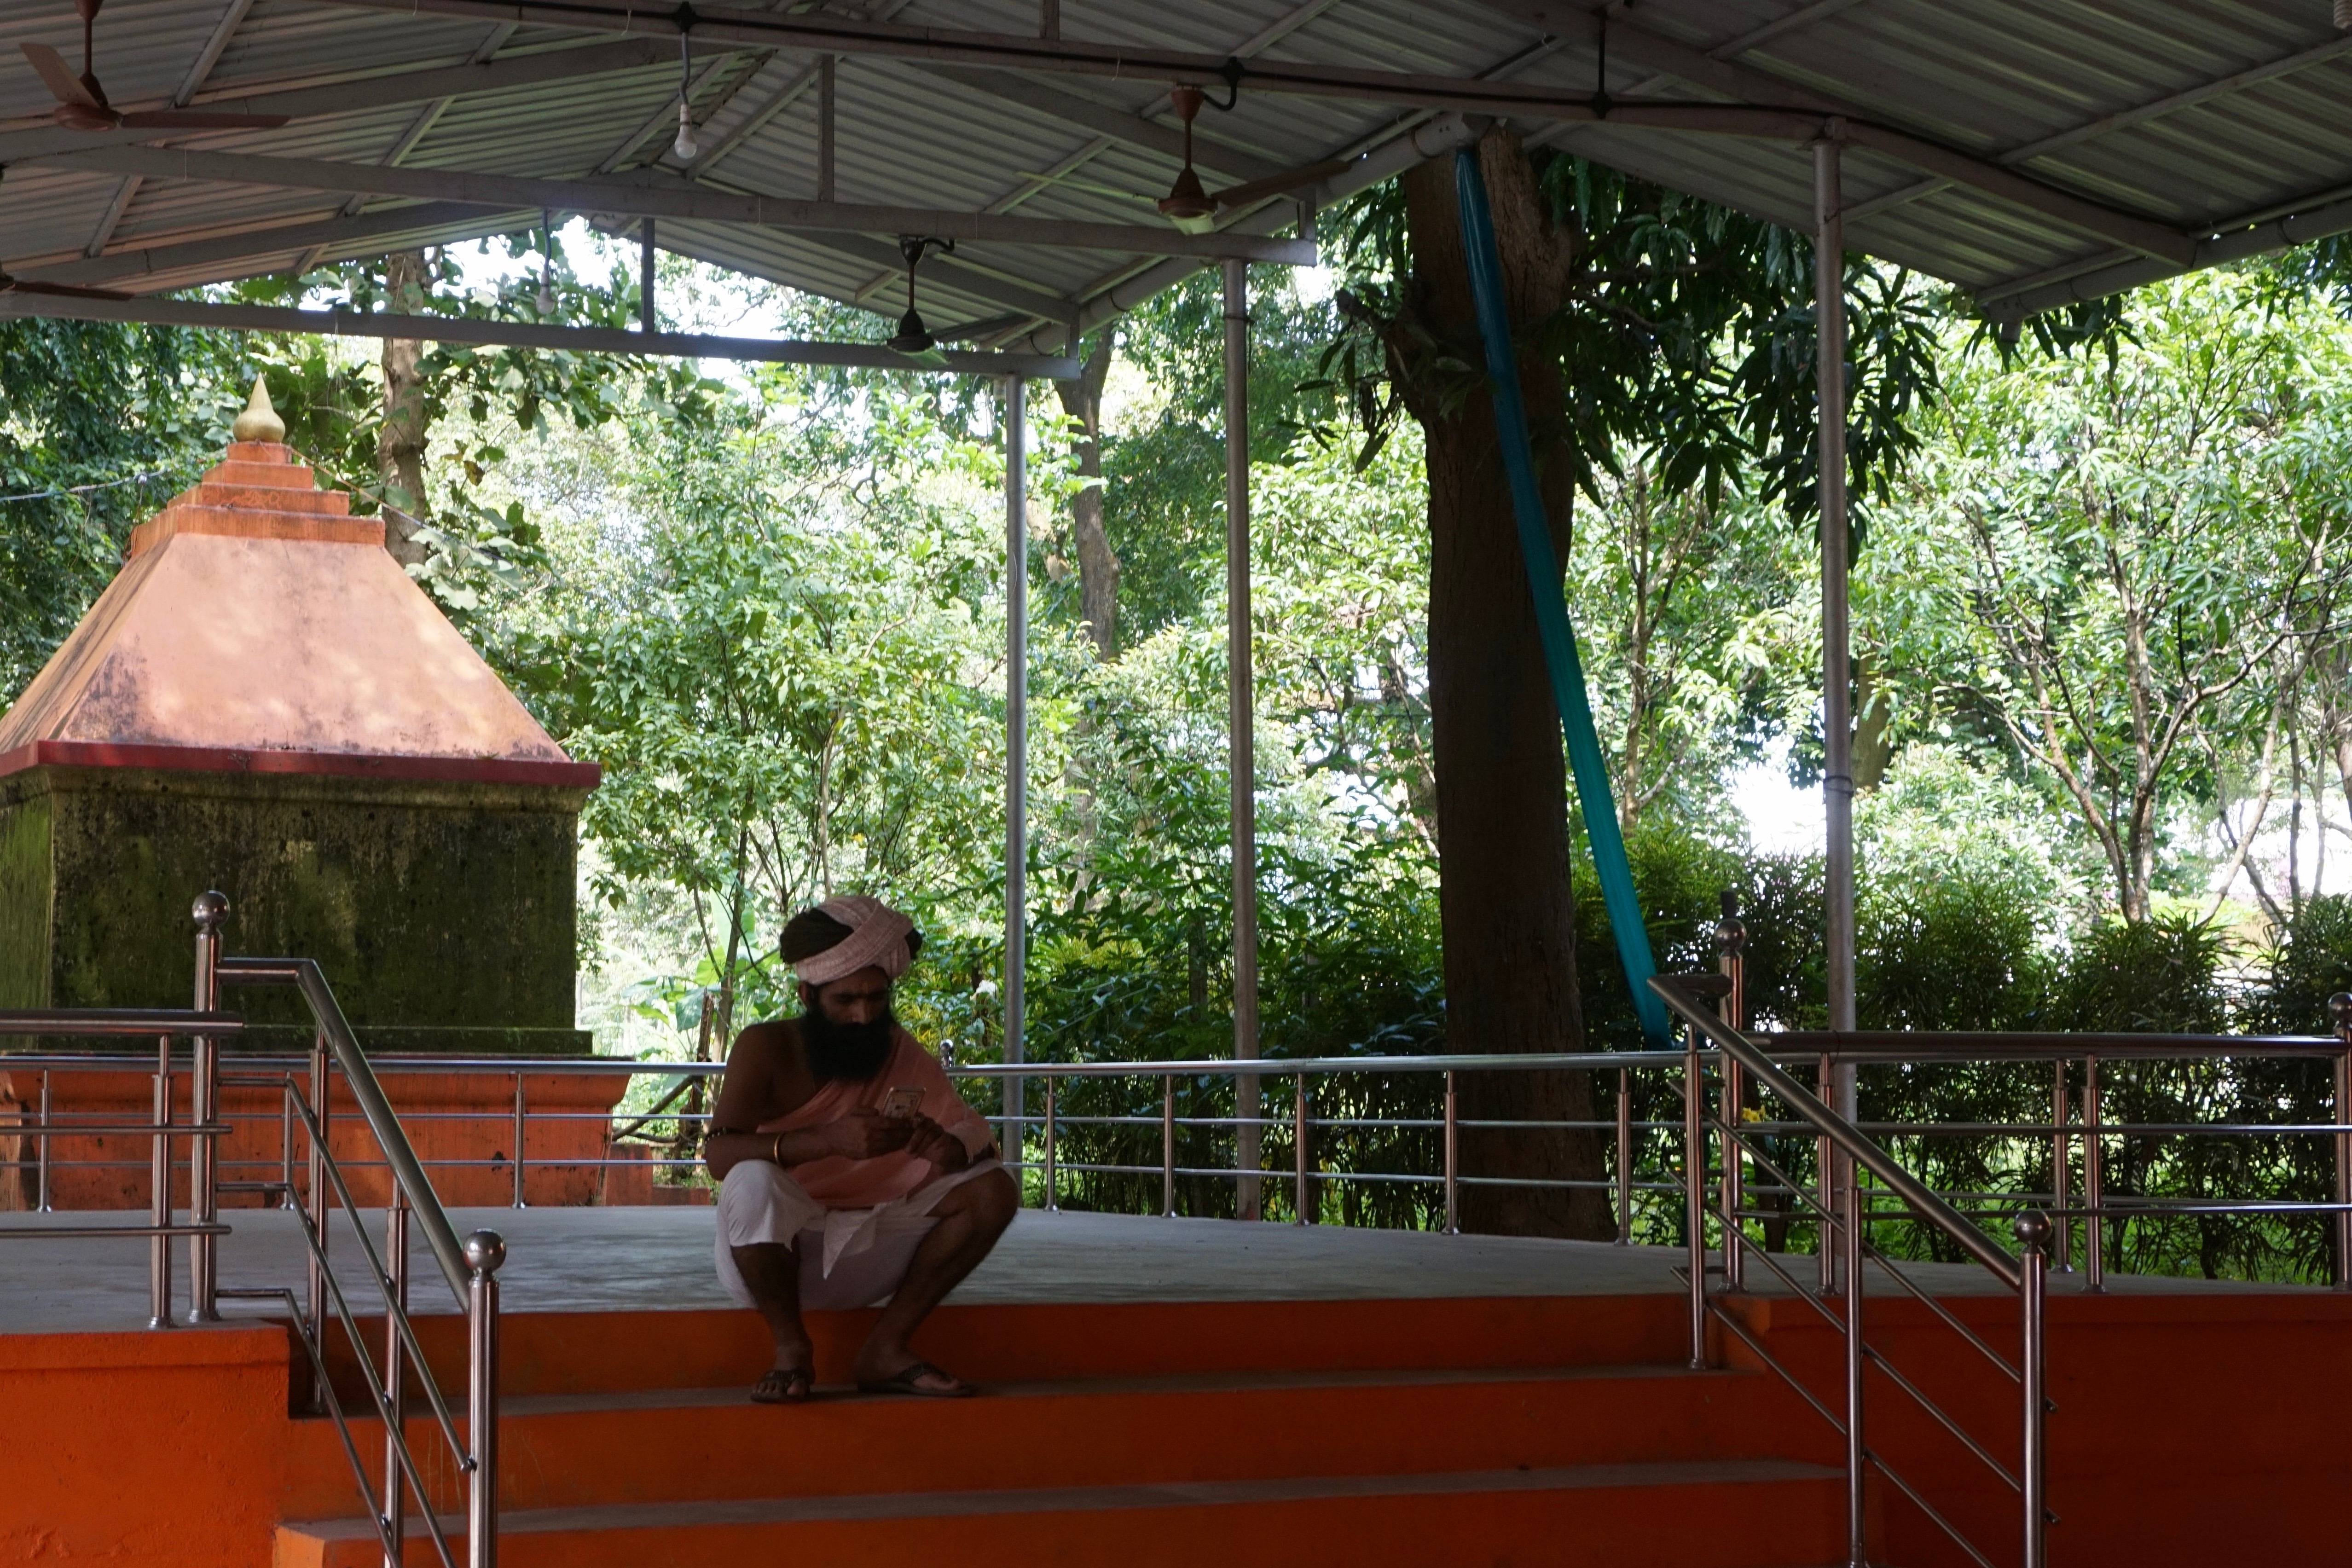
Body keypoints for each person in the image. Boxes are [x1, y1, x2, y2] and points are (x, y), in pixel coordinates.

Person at [703, 896, 1017, 1403]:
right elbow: (717, 1157)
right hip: (773, 1255)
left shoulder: (897, 1048)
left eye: (876, 998)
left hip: (867, 1246)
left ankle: (886, 1349)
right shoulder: (765, 1046)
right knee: (749, 1179)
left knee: (994, 1190)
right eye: (845, 1000)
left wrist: (948, 1148)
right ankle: (790, 1348)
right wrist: (828, 1140)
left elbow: (972, 1134)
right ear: (808, 995)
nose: (863, 1015)